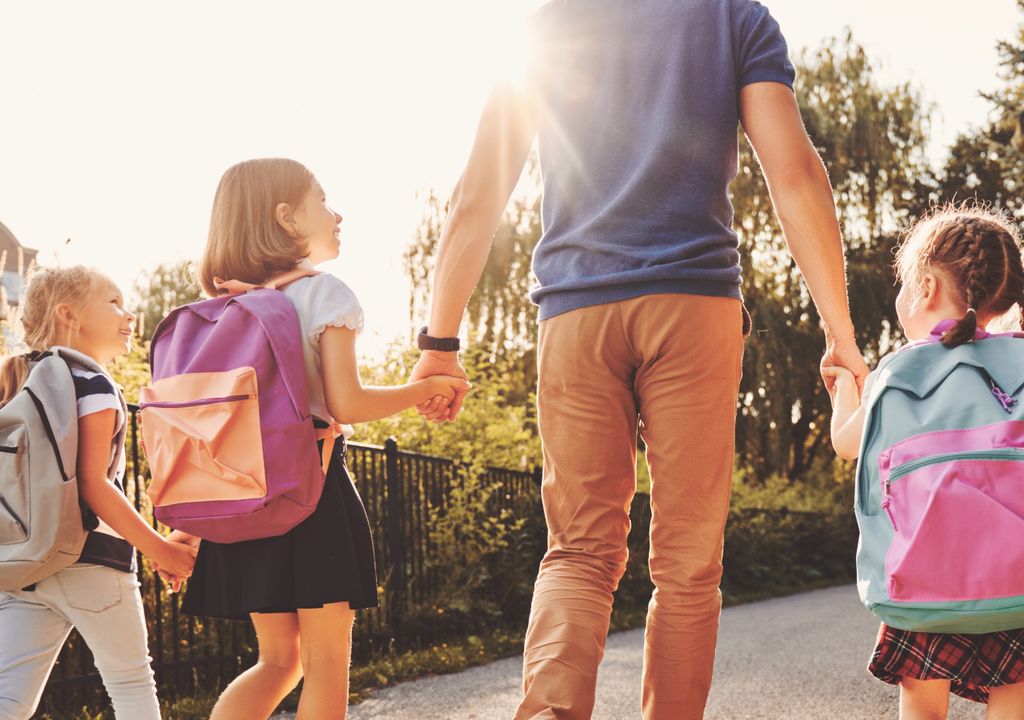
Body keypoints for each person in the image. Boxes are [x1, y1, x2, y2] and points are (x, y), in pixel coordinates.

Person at [408, 1, 868, 717]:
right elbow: (796, 172)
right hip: (695, 306)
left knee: (579, 551)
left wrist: (439, 345)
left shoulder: (551, 23)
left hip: (577, 310)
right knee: (688, 566)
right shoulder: (731, 16)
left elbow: (478, 194)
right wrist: (840, 332)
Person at [174, 158, 469, 720]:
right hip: (312, 493)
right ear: (286, 218)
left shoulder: (218, 308)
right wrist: (426, 386)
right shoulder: (323, 294)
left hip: (245, 498)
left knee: (278, 662)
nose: (338, 215)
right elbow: (347, 404)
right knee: (326, 666)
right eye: (324, 201)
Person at [824, 206, 1024, 720]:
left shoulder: (899, 370)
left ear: (928, 287)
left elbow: (847, 444)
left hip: (926, 580)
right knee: (1013, 701)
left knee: (923, 707)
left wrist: (845, 389)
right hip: (1018, 582)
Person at [0, 265, 197, 720]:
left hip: (25, 564)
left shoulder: (18, 381)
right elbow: (94, 484)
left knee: (10, 700)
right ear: (70, 315)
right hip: (91, 560)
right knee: (130, 684)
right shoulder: (93, 383)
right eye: (113, 302)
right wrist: (159, 550)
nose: (130, 314)